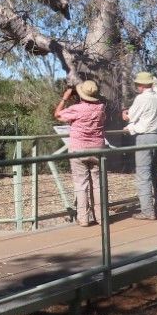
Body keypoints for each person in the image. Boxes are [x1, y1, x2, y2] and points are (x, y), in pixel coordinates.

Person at [55, 80, 107, 227]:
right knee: (98, 184)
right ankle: (101, 217)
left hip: (78, 149)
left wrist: (65, 98)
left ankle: (83, 219)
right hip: (97, 149)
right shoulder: (101, 107)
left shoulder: (76, 109)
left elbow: (58, 115)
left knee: (81, 184)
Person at [123, 71, 157, 220]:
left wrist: (125, 116)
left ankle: (147, 211)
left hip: (144, 139)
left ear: (140, 85)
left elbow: (131, 117)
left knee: (143, 175)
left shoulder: (141, 98)